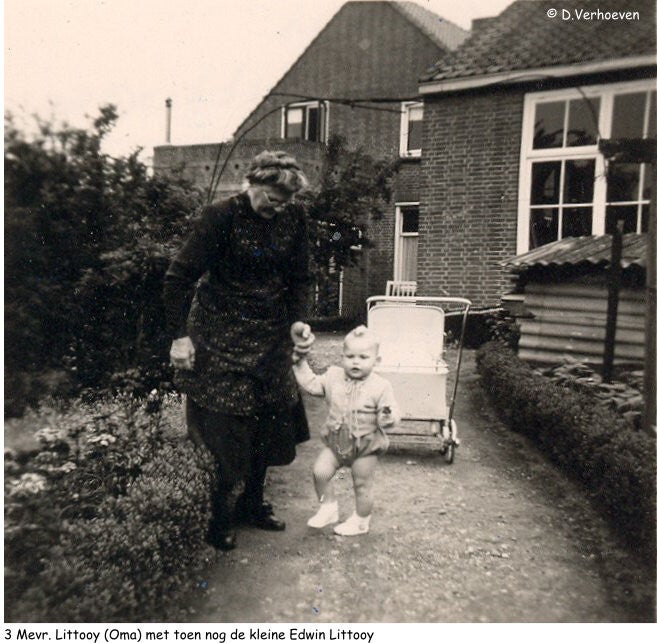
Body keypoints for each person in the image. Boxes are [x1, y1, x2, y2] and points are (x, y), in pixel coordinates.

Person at [164, 150, 315, 551]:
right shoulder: (221, 216)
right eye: (272, 198)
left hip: (271, 335)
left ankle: (252, 504)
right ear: (254, 183)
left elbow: (301, 277)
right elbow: (178, 277)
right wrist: (179, 337)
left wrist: (298, 321)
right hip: (220, 334)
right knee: (225, 432)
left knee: (268, 421)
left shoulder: (295, 217)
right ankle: (218, 517)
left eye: (285, 202)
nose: (278, 207)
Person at [292, 325, 400, 536]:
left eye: (363, 357)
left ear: (376, 360)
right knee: (320, 472)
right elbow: (312, 384)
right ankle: (328, 508)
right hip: (336, 443)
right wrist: (299, 363)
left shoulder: (381, 386)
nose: (355, 361)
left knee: (362, 484)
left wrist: (387, 417)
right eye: (350, 356)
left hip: (365, 446)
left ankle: (361, 521)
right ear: (342, 357)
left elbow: (390, 412)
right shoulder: (333, 377)